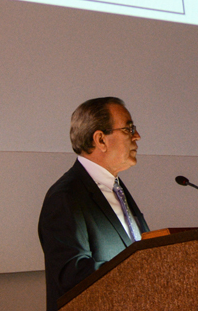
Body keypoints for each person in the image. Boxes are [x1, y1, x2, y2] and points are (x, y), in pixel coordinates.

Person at [38, 97, 149, 311]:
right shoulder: (65, 197)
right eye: (128, 129)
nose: (137, 136)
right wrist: (142, 271)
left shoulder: (116, 187)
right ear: (100, 140)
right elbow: (72, 275)